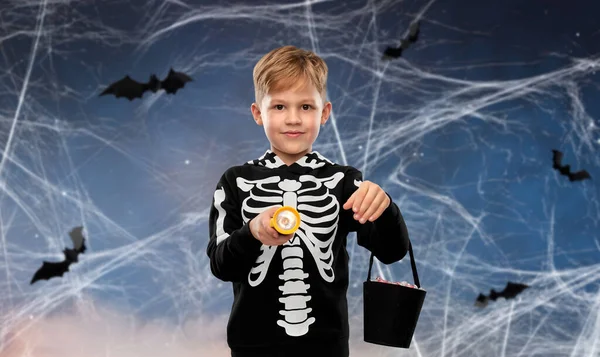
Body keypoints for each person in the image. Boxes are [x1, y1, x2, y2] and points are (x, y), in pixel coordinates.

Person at [206, 45, 410, 357]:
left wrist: (385, 208)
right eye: (278, 107)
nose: (292, 119)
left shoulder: (343, 181)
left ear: (324, 112)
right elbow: (221, 264)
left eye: (305, 107)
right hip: (252, 347)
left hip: (327, 347)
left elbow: (391, 251)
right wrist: (252, 232)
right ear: (258, 113)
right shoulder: (235, 181)